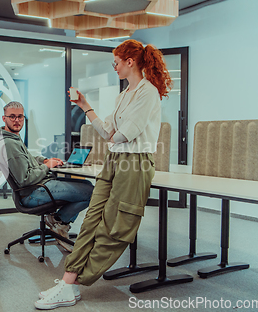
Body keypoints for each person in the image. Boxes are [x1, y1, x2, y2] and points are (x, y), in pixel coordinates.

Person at [34, 39, 172, 309]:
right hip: (115, 159)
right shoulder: (124, 95)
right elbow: (108, 133)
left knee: (114, 227)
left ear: (130, 61)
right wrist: (85, 105)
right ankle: (68, 282)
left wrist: (111, 135)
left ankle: (72, 280)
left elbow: (119, 134)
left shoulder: (148, 92)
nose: (115, 67)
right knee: (91, 220)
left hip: (135, 162)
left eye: (116, 63)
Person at [0, 101, 94, 252]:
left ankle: (58, 221)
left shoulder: (11, 137)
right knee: (91, 191)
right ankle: (60, 222)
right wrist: (47, 166)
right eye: (12, 117)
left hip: (37, 187)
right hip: (33, 192)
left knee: (85, 184)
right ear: (4, 118)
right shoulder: (9, 144)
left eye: (20, 117)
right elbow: (25, 179)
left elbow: (26, 158)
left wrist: (44, 160)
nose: (16, 120)